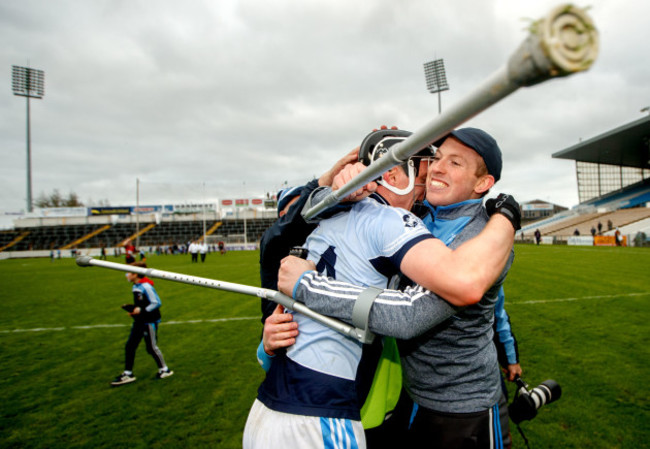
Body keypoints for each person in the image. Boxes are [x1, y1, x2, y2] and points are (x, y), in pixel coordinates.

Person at [246, 128, 518, 449]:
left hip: (461, 406)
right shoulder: (407, 216)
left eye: (454, 163)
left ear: (483, 184)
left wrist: (507, 219)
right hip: (389, 396)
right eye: (436, 159)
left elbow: (419, 312)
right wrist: (333, 184)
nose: (435, 170)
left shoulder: (483, 240)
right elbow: (278, 240)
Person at [111, 261, 173, 386]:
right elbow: (141, 304)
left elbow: (156, 302)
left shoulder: (146, 286)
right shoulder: (136, 286)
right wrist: (134, 310)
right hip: (139, 320)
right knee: (130, 346)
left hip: (149, 321)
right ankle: (128, 373)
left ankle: (165, 370)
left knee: (151, 347)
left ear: (135, 274)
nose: (126, 275)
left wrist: (142, 310)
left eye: (128, 272)